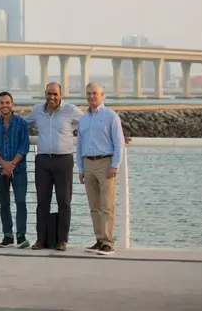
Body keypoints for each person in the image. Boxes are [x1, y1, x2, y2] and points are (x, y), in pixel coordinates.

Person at [25, 81, 82, 252]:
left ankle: (62, 240)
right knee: (42, 202)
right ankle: (41, 239)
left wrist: (117, 133)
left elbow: (89, 124)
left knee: (64, 202)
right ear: (45, 94)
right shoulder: (37, 110)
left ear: (61, 95)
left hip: (63, 161)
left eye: (55, 94)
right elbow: (21, 125)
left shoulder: (70, 110)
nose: (52, 97)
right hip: (43, 160)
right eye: (49, 93)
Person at [77, 82, 126, 256]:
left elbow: (119, 143)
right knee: (94, 206)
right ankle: (99, 240)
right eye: (89, 93)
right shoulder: (83, 118)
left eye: (95, 93)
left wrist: (115, 165)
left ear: (102, 94)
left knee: (107, 205)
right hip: (88, 164)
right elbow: (79, 145)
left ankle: (108, 243)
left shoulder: (110, 116)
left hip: (105, 163)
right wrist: (81, 168)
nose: (91, 96)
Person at [0, 91, 30, 249]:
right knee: (4, 203)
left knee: (21, 202)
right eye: (2, 103)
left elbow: (24, 146)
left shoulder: (21, 123)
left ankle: (21, 236)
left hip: (19, 169)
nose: (5, 105)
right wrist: (4, 164)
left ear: (12, 104)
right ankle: (7, 235)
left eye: (7, 102)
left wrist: (11, 164)